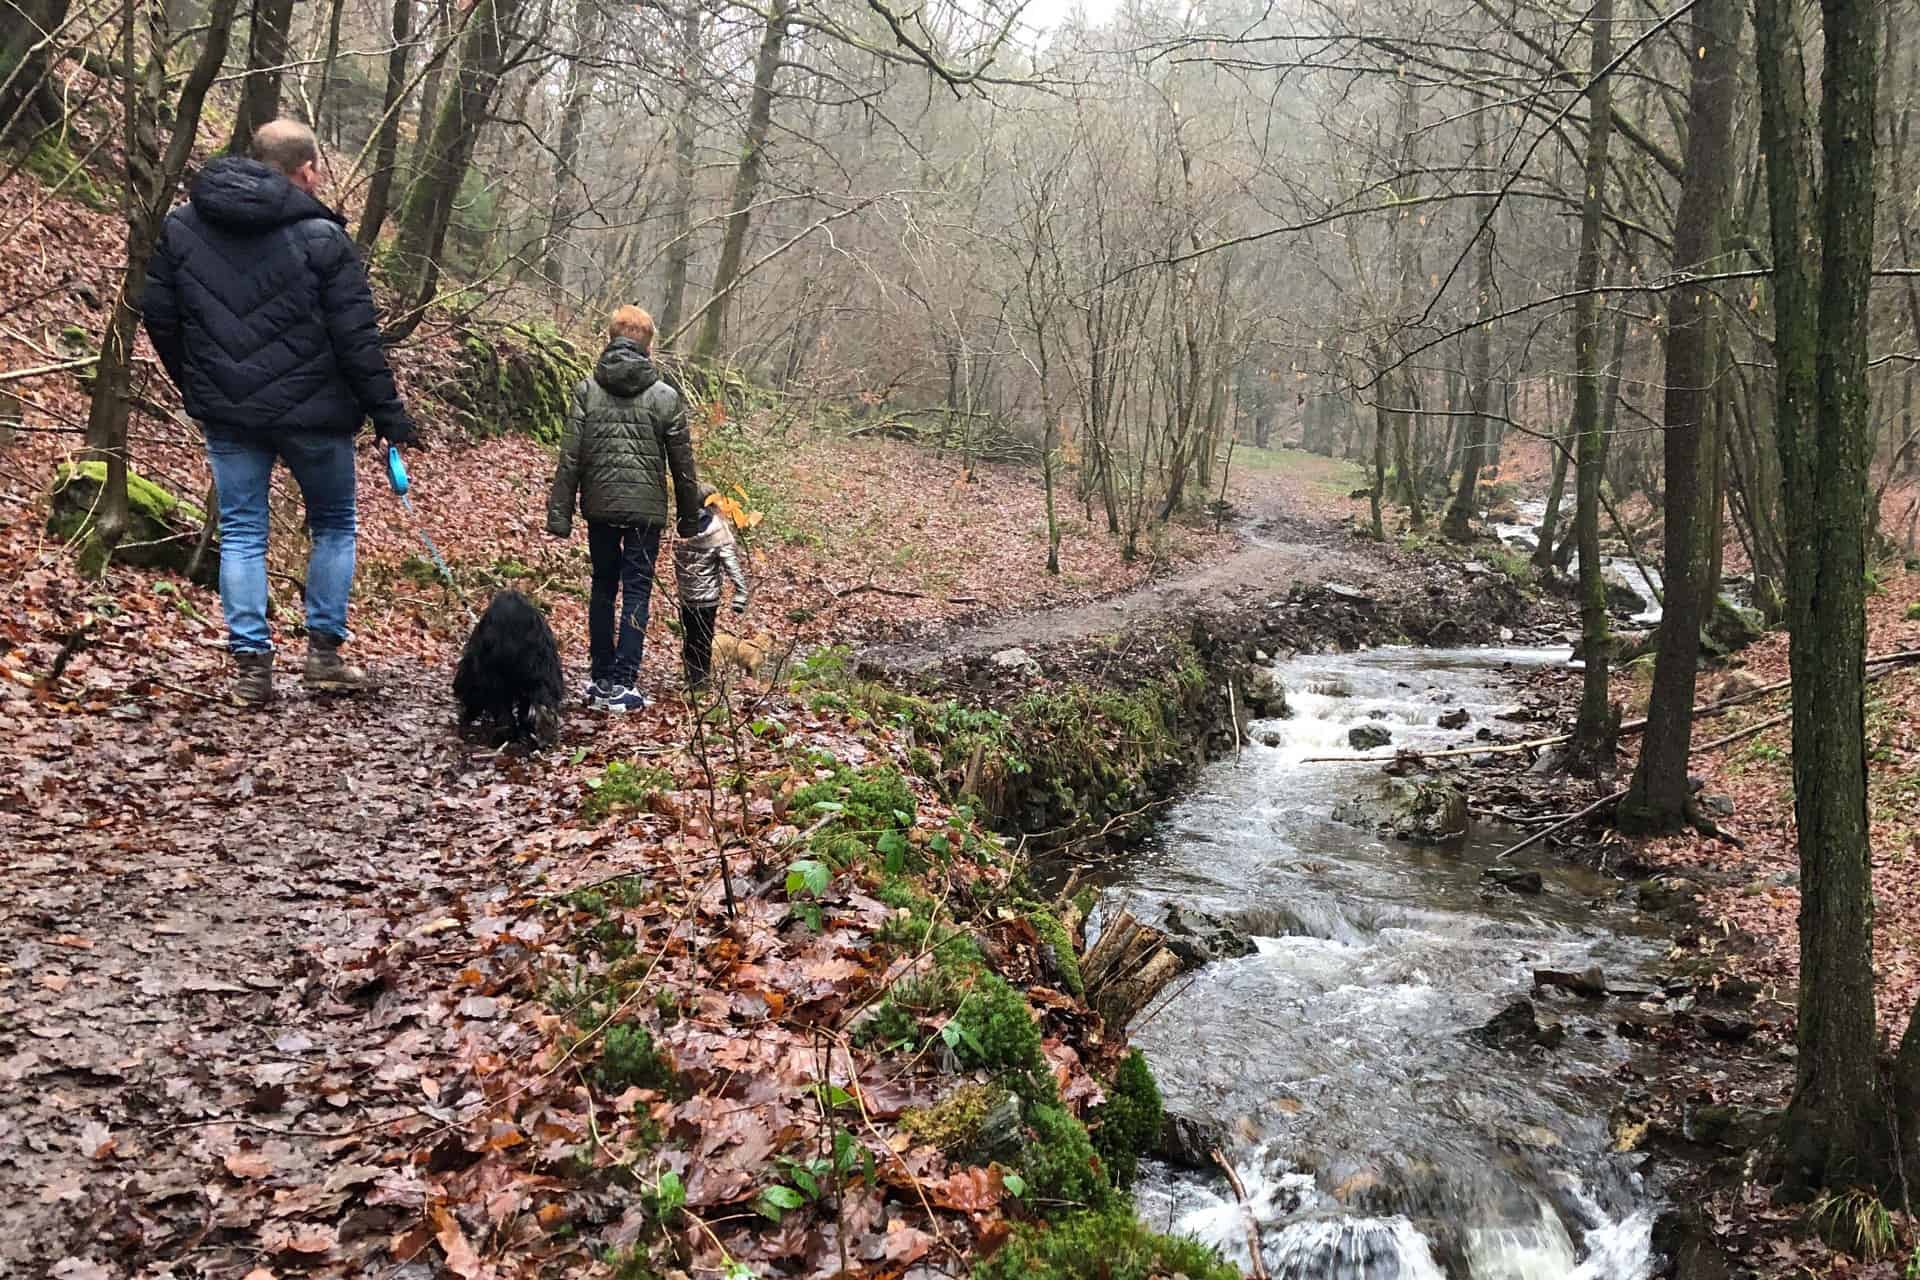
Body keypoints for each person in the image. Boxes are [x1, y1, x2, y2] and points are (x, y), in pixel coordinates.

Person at [142, 119, 419, 707]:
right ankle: (322, 656)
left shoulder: (183, 226)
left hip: (229, 413)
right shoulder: (322, 237)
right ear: (307, 169)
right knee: (335, 525)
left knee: (242, 533)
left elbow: (159, 315)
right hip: (316, 416)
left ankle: (251, 668)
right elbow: (357, 340)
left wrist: (197, 381)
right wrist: (389, 415)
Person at [546, 306, 703, 712]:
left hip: (599, 507)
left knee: (602, 587)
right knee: (636, 589)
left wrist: (560, 513)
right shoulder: (665, 396)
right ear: (649, 345)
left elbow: (570, 457)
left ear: (610, 338)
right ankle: (624, 683)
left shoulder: (587, 390)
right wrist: (690, 518)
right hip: (645, 514)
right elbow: (683, 465)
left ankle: (600, 680)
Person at [673, 486, 750, 691]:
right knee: (704, 640)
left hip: (686, 595)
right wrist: (741, 594)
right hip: (707, 598)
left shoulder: (682, 526)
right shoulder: (718, 530)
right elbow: (731, 565)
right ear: (713, 502)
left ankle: (691, 678)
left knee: (690, 638)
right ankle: (700, 683)